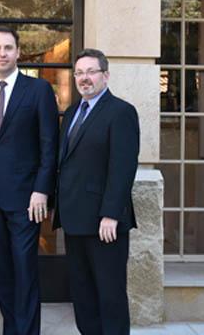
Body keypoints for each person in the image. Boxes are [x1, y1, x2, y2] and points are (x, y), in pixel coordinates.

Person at [0, 26, 59, 335]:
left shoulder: (38, 90)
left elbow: (49, 145)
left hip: (26, 201)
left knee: (24, 270)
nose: (2, 53)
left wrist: (42, 190)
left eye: (8, 48)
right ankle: (11, 329)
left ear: (18, 52)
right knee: (1, 272)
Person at [53, 48, 140, 335]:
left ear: (105, 75)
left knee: (110, 295)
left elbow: (122, 168)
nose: (84, 78)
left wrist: (111, 214)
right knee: (83, 296)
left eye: (91, 72)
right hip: (75, 220)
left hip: (105, 224)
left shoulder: (121, 112)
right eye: (79, 73)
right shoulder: (73, 112)